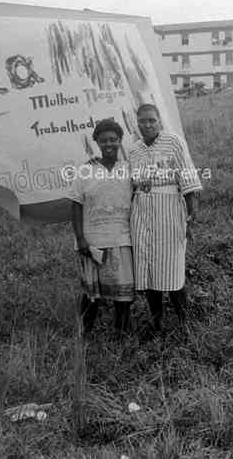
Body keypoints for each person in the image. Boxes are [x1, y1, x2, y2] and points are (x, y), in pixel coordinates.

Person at [128, 104, 202, 333]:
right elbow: (130, 185)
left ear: (159, 121)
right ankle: (156, 321)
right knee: (148, 268)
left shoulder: (173, 141)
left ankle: (183, 321)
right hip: (141, 213)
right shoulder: (134, 150)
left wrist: (191, 212)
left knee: (172, 266)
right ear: (136, 123)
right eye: (142, 121)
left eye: (151, 120)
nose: (147, 125)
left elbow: (187, 175)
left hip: (169, 210)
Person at [68, 118, 135, 337]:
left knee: (122, 292)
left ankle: (121, 334)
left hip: (122, 239)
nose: (109, 144)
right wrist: (81, 239)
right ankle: (84, 334)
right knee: (91, 294)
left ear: (120, 141)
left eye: (113, 140)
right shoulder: (85, 171)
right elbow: (76, 205)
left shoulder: (129, 169)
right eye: (104, 140)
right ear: (96, 142)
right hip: (92, 241)